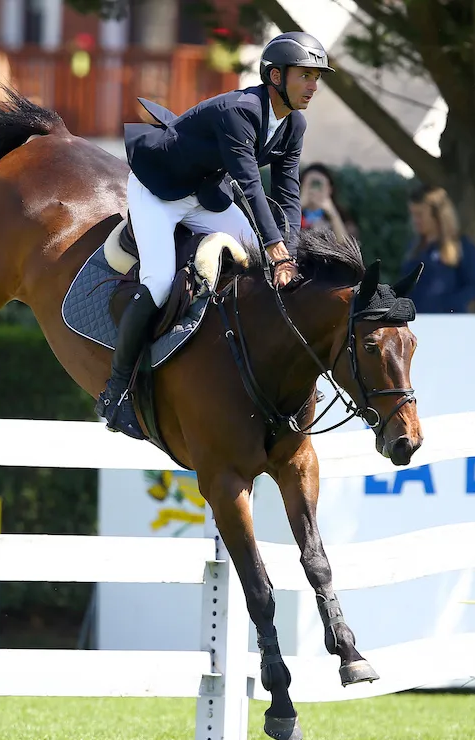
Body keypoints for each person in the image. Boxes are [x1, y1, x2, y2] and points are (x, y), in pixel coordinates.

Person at [95, 32, 335, 439]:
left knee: (258, 255)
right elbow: (251, 185)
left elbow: (287, 192)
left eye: (317, 77)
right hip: (159, 191)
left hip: (205, 194)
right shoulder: (239, 111)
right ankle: (115, 394)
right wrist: (276, 248)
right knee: (157, 283)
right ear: (275, 76)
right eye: (306, 76)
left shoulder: (294, 123)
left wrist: (287, 254)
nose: (313, 87)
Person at [400, 184, 475, 313]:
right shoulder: (414, 249)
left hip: (450, 325)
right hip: (418, 323)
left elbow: (472, 287)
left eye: (420, 215)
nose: (415, 220)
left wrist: (446, 306)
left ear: (438, 215)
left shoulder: (462, 247)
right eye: (413, 214)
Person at [300, 162, 358, 241]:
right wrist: (298, 207)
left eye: (318, 184)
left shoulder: (343, 218)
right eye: (309, 184)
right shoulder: (292, 214)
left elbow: (346, 248)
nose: (314, 190)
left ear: (330, 189)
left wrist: (332, 214)